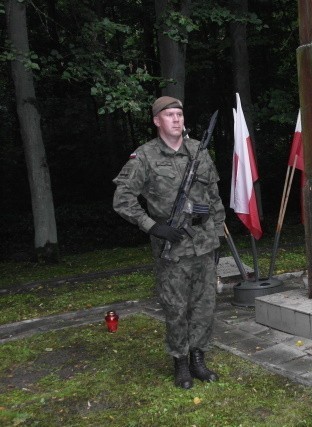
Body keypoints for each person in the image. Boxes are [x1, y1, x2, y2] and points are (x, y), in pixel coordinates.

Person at [113, 96, 225, 389]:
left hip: (203, 243)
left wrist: (218, 236)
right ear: (157, 121)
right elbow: (122, 199)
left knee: (204, 305)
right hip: (172, 248)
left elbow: (213, 199)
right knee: (176, 308)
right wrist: (154, 227)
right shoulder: (145, 156)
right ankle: (181, 363)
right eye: (170, 115)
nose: (177, 119)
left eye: (180, 114)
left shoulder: (198, 151)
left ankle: (199, 359)